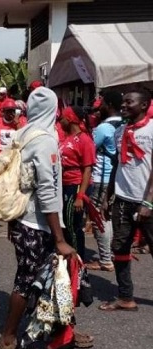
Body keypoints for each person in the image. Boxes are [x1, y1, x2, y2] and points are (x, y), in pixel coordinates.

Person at [0, 87, 82, 349]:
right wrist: (59, 238)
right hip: (38, 224)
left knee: (56, 279)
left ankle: (62, 333)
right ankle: (8, 336)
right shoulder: (44, 140)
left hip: (24, 220)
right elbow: (46, 190)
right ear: (53, 109)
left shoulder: (23, 133)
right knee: (28, 280)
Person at [99, 90, 153, 312]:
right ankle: (125, 297)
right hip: (123, 199)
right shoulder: (119, 132)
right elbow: (117, 165)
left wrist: (148, 203)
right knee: (119, 246)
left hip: (148, 202)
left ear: (144, 105)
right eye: (122, 102)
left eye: (129, 102)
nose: (123, 105)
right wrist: (107, 196)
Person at [85, 90, 123, 272]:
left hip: (102, 178)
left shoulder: (103, 128)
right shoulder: (123, 125)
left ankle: (106, 260)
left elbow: (89, 150)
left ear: (109, 106)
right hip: (117, 177)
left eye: (103, 104)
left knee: (99, 217)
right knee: (109, 217)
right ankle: (113, 255)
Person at [59, 106, 96, 260]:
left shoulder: (84, 140)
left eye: (63, 117)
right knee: (66, 225)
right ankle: (69, 261)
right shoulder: (67, 138)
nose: (60, 121)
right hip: (65, 184)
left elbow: (87, 170)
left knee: (73, 227)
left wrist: (80, 196)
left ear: (71, 119)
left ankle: (77, 262)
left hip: (76, 185)